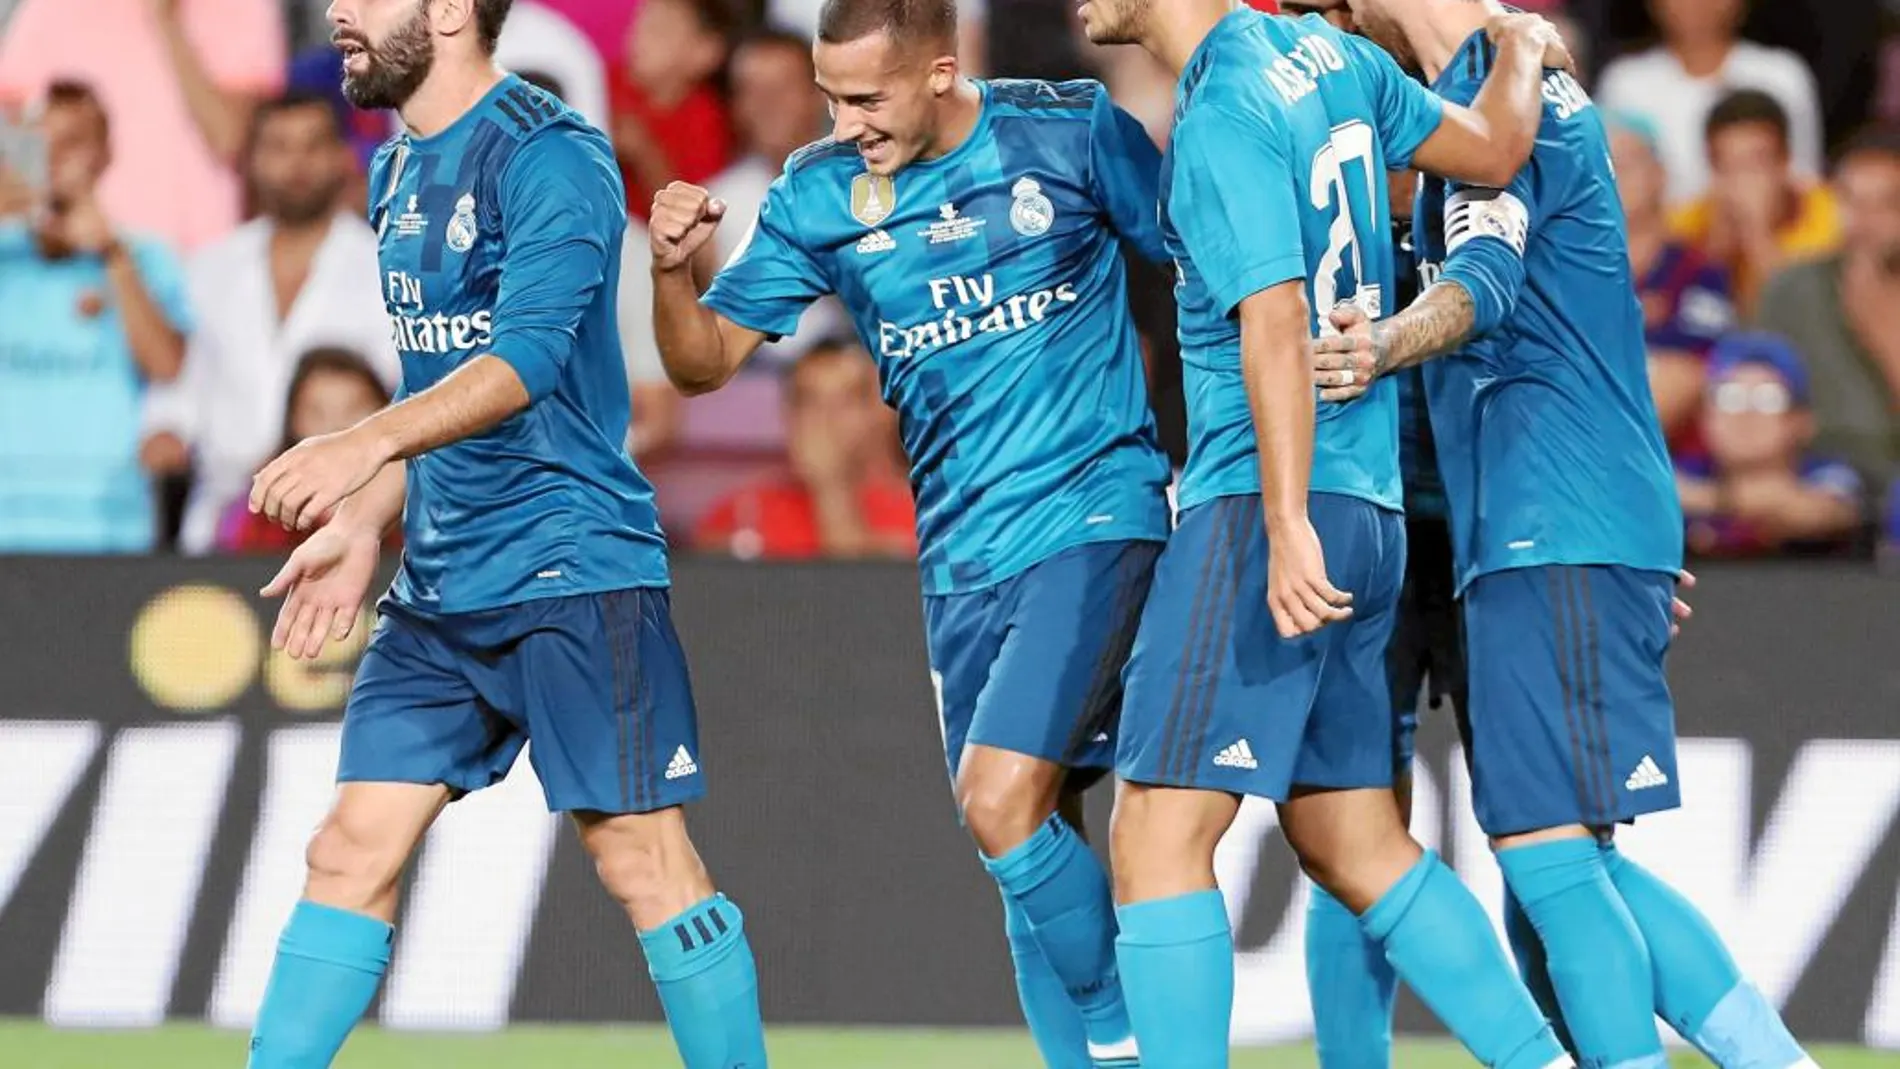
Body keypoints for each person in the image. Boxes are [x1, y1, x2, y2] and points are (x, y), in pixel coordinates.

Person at [239, 2, 768, 1068]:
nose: (338, 12)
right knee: (347, 849)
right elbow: (436, 383)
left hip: (570, 569)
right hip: (439, 585)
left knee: (643, 865)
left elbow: (522, 363)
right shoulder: (394, 169)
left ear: (445, 12)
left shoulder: (551, 156)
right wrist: (366, 513)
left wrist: (357, 444)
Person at [650, 0, 1176, 1061]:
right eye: (830, 96)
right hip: (959, 557)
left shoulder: (1065, 132)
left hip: (1093, 511)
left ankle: (1126, 1034)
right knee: (1024, 843)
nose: (844, 122)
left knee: (997, 802)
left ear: (940, 71)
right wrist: (671, 268)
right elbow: (703, 362)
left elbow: (1203, 262)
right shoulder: (817, 194)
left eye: (866, 97)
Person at [1311, 2, 1819, 1069]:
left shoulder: (1502, 101)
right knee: (1529, 854)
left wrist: (1379, 345)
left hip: (1539, 522)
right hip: (1524, 524)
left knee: (1541, 860)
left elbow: (1487, 286)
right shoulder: (1509, 82)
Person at [1082, 0, 1583, 1061]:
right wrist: (1524, 46)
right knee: (1347, 834)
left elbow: (1270, 321)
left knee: (1155, 834)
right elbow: (1495, 146)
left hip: (1263, 503)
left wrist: (1281, 520)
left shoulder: (1220, 107)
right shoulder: (1336, 60)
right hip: (1372, 508)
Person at [141, 91, 397, 557]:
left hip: (344, 522)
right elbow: (181, 387)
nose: (296, 164)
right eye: (278, 147)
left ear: (343, 156)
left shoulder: (385, 269)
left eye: (312, 145)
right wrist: (167, 429)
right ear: (252, 162)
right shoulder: (209, 268)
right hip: (220, 526)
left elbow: (402, 397)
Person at [0, 79, 189, 553]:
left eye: (71, 142)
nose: (52, 156)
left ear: (104, 155)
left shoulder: (145, 258)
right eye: (37, 140)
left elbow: (166, 365)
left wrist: (110, 254)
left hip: (108, 524)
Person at [695, 340, 917, 560]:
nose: (825, 419)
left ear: (880, 415)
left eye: (845, 402)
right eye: (809, 401)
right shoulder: (742, 512)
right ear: (789, 415)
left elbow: (877, 590)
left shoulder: (924, 512)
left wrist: (831, 488)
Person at [1677, 332, 1866, 558]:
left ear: (1801, 421)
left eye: (1768, 400)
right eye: (1729, 398)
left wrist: (1715, 499)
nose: (1746, 414)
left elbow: (1823, 512)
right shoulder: (1684, 469)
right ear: (1705, 417)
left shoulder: (1829, 473)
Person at [217, 347, 397, 554]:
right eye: (317, 414)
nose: (336, 428)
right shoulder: (259, 515)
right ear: (294, 421)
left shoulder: (419, 506)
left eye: (353, 410)